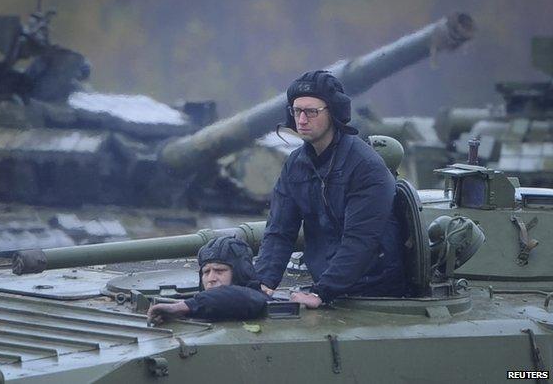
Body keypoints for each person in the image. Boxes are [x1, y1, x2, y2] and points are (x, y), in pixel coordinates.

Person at [255, 70, 406, 308]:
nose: (302, 120)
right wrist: (263, 283)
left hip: (376, 289)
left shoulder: (365, 166)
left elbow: (361, 239)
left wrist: (322, 292)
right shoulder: (296, 165)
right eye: (296, 111)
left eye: (312, 112)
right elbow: (280, 230)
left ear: (333, 112)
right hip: (327, 285)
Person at [147, 236, 270, 324]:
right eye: (206, 272)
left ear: (242, 273)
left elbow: (234, 297)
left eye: (219, 271)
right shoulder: (202, 303)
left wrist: (181, 307)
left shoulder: (255, 298)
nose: (211, 279)